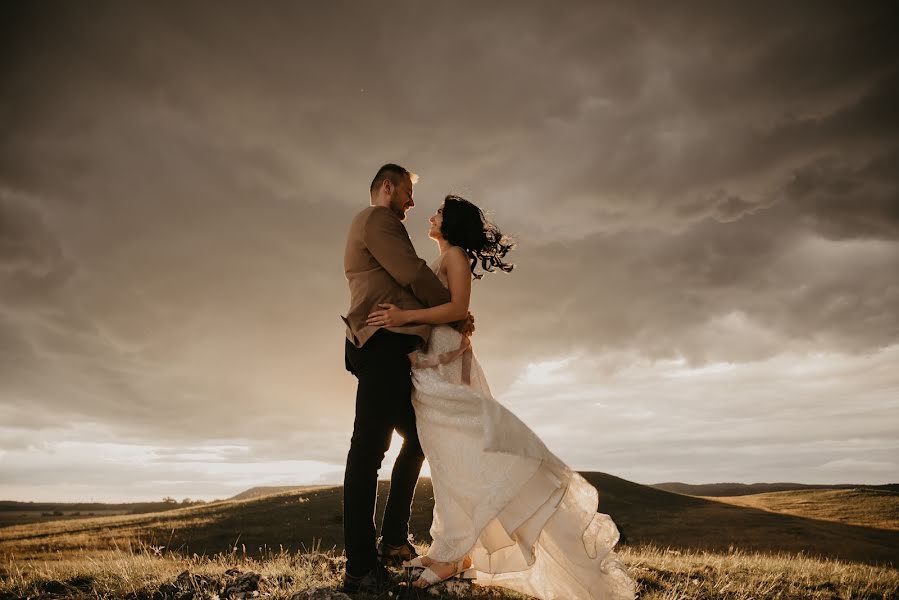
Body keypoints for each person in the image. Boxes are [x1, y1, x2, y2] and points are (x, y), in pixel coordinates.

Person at [366, 195, 636, 599]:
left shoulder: (455, 255)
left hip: (446, 369)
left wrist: (405, 318)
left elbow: (458, 307)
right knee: (445, 458)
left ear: (452, 224)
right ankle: (450, 547)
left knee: (459, 456)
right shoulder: (442, 259)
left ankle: (455, 552)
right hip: (431, 367)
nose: (432, 215)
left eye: (440, 212)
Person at [340, 164, 472, 594]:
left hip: (390, 348)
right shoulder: (377, 219)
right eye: (408, 194)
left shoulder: (379, 224)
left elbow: (407, 279)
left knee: (419, 438)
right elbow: (412, 273)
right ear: (388, 187)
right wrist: (457, 310)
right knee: (369, 450)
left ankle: (394, 539)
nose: (412, 204)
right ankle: (361, 567)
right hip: (379, 344)